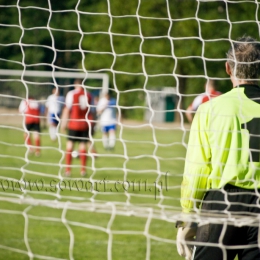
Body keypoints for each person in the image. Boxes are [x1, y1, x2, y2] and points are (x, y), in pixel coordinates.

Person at [176, 36, 260, 260]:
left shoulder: (210, 109)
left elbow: (196, 170)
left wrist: (187, 217)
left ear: (228, 68)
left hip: (221, 204)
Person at [61, 79, 92, 177]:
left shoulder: (72, 94)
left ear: (75, 85)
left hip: (74, 123)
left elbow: (67, 109)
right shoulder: (89, 95)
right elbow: (92, 111)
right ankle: (83, 171)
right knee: (82, 146)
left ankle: (68, 170)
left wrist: (63, 123)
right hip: (85, 124)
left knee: (70, 145)